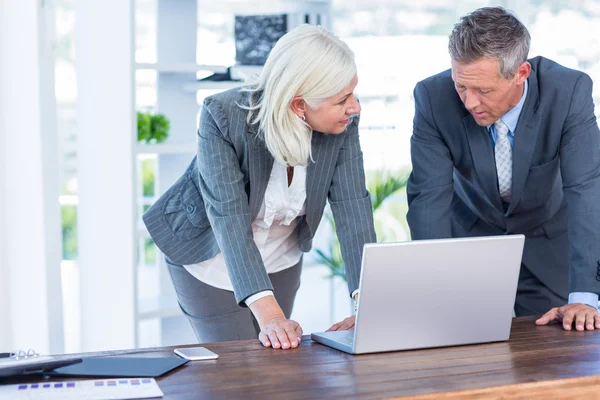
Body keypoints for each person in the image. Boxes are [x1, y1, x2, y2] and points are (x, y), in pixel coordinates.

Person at [143, 24, 376, 349]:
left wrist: (367, 302)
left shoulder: (342, 120)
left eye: (353, 93)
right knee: (236, 367)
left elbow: (353, 207)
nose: (355, 107)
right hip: (213, 255)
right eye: (342, 100)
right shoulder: (222, 116)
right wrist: (270, 314)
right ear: (299, 105)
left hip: (281, 254)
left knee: (275, 360)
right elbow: (229, 218)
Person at [407, 7, 600, 331]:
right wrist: (434, 292)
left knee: (549, 360)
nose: (469, 103)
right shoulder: (432, 97)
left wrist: (585, 296)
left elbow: (586, 189)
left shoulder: (567, 92)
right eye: (461, 86)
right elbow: (429, 198)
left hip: (547, 247)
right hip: (470, 245)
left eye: (483, 90)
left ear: (521, 73)